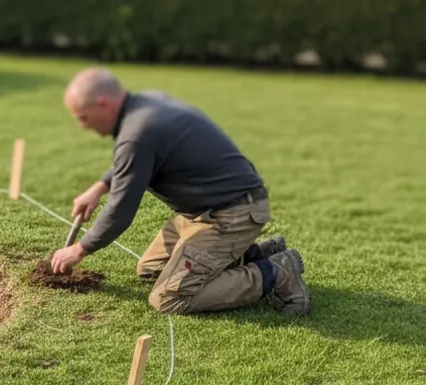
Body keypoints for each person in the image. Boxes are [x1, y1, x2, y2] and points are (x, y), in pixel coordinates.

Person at [50, 68, 310, 316]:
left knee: (169, 297)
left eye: (83, 118)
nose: (83, 126)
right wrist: (99, 187)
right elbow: (136, 158)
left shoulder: (138, 133)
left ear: (103, 104)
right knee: (151, 268)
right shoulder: (146, 105)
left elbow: (121, 210)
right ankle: (256, 254)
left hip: (231, 215)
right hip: (207, 211)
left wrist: (79, 250)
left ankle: (277, 272)